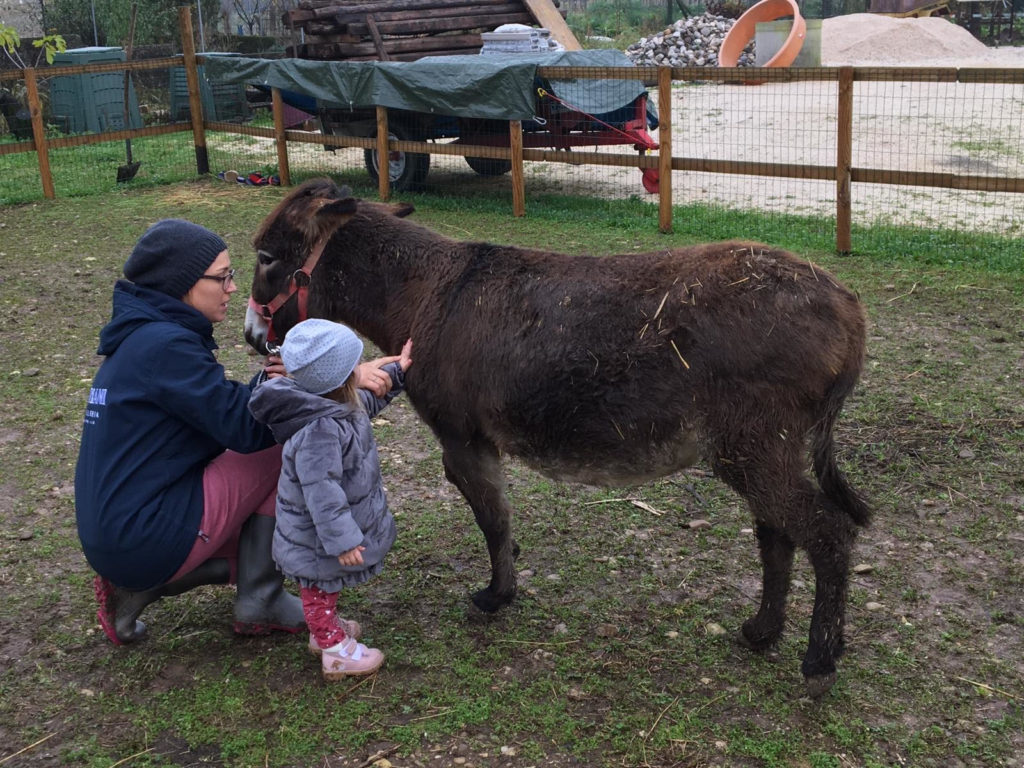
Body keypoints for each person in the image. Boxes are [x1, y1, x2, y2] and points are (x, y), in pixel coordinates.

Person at [74, 219, 401, 646]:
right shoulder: (165, 347)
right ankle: (258, 595)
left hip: (121, 532)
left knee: (273, 468)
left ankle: (144, 585)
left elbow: (223, 414)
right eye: (223, 277)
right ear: (184, 283)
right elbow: (251, 428)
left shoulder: (144, 339)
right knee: (289, 442)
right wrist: (340, 376)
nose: (232, 288)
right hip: (144, 535)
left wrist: (279, 379)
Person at [248, 319, 412, 679]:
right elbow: (322, 494)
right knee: (318, 590)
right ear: (339, 377)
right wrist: (344, 539)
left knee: (322, 590)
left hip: (318, 535)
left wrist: (397, 373)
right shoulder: (318, 431)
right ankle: (334, 651)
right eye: (356, 363)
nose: (362, 368)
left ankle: (327, 632)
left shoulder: (333, 404)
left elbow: (367, 400)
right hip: (317, 538)